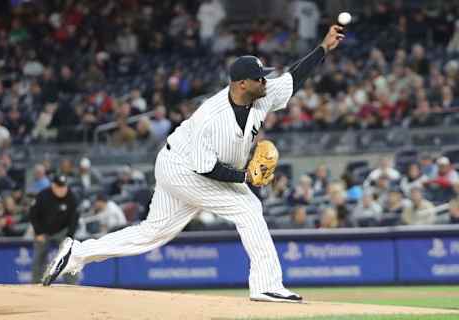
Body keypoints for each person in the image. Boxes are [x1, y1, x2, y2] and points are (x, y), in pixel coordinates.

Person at [43, 25, 345, 303]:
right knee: (248, 207)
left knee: (153, 232)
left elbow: (293, 78)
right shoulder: (210, 117)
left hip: (187, 166)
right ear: (241, 84)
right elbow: (206, 168)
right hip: (183, 168)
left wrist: (323, 48)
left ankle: (78, 253)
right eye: (258, 77)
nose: (265, 80)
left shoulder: (261, 96)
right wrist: (246, 178)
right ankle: (266, 285)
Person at [29, 174, 79, 283]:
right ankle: (35, 283)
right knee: (39, 257)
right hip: (44, 230)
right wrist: (38, 232)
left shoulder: (71, 196)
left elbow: (74, 219)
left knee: (68, 256)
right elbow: (33, 215)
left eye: (64, 187)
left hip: (63, 231)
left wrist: (69, 236)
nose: (62, 190)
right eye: (59, 187)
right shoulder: (42, 196)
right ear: (53, 186)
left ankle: (72, 284)